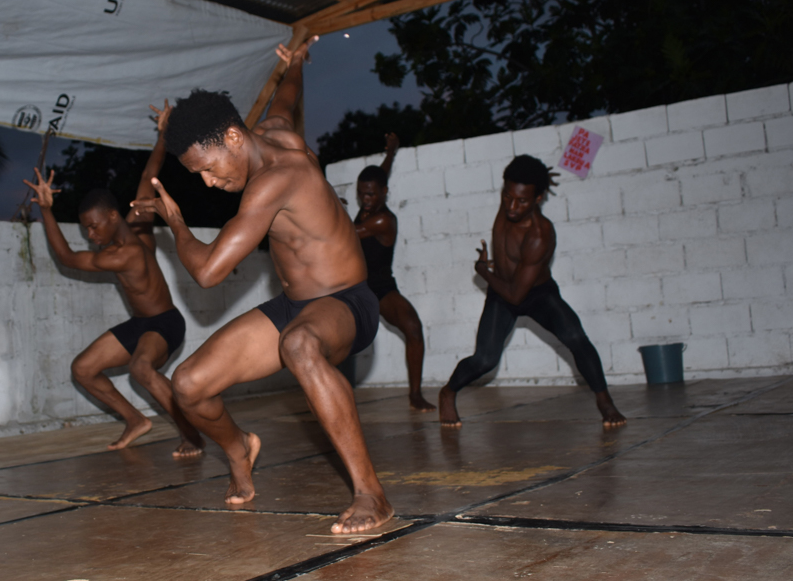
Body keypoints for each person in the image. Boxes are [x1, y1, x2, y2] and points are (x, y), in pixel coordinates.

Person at [132, 36, 394, 535]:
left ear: (232, 138)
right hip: (296, 304)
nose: (208, 183)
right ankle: (239, 448)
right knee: (188, 385)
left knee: (299, 344)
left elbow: (208, 272)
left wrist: (176, 223)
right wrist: (294, 64)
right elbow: (286, 101)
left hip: (346, 303)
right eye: (197, 177)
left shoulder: (275, 179)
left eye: (206, 170)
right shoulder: (271, 131)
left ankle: (372, 495)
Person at [23, 102, 204, 456]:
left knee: (140, 368)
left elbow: (66, 258)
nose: (90, 235)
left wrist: (46, 211)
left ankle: (192, 434)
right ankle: (136, 420)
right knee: (84, 368)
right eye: (86, 230)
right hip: (141, 323)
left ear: (110, 215)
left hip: (165, 323)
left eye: (93, 226)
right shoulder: (137, 221)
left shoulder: (123, 254)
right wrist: (163, 136)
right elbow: (149, 175)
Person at [439, 155, 627, 428]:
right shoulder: (511, 201)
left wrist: (483, 271)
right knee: (484, 360)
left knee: (576, 337)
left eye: (522, 201)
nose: (512, 206)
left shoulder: (540, 234)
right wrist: (538, 177)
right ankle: (448, 392)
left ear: (539, 198)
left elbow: (517, 296)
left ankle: (604, 401)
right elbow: (507, 294)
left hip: (536, 295)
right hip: (500, 292)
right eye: (507, 196)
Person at [348, 133, 435, 411]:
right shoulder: (372, 196)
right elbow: (379, 176)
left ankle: (415, 394)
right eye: (361, 194)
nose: (365, 199)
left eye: (371, 194)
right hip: (357, 288)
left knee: (414, 328)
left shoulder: (383, 219)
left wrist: (330, 209)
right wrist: (391, 153)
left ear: (385, 192)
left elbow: (346, 233)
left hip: (382, 288)